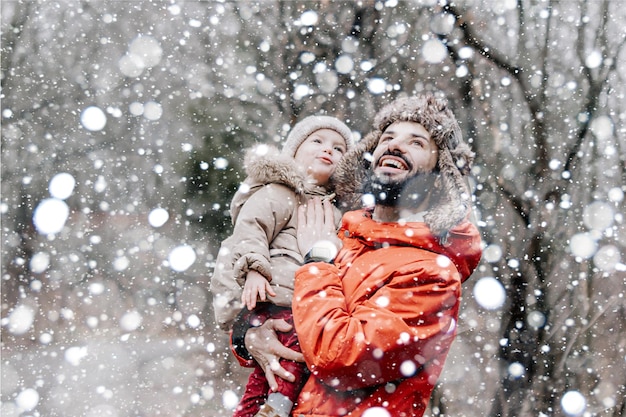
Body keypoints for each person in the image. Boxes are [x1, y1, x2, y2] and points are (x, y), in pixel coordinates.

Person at [239, 94, 483, 416]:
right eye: (388, 137)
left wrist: (316, 261)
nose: (395, 146)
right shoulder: (340, 231)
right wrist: (250, 335)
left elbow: (339, 357)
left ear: (440, 179)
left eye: (417, 143)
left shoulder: (434, 275)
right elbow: (281, 301)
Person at [210, 115, 354, 417]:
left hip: (310, 307)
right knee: (286, 363)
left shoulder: (341, 213)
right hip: (274, 300)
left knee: (271, 373)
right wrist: (254, 270)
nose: (328, 150)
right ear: (294, 150)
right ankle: (275, 408)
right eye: (317, 141)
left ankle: (253, 411)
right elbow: (251, 230)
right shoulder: (280, 192)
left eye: (339, 148)